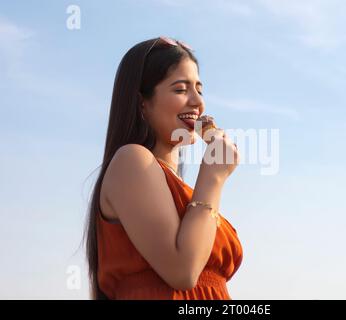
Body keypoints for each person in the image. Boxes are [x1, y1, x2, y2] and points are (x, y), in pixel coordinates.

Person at [84, 36, 243, 299]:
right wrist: (213, 178)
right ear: (141, 103)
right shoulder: (131, 161)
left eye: (199, 90)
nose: (197, 102)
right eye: (181, 90)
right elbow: (183, 272)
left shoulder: (183, 189)